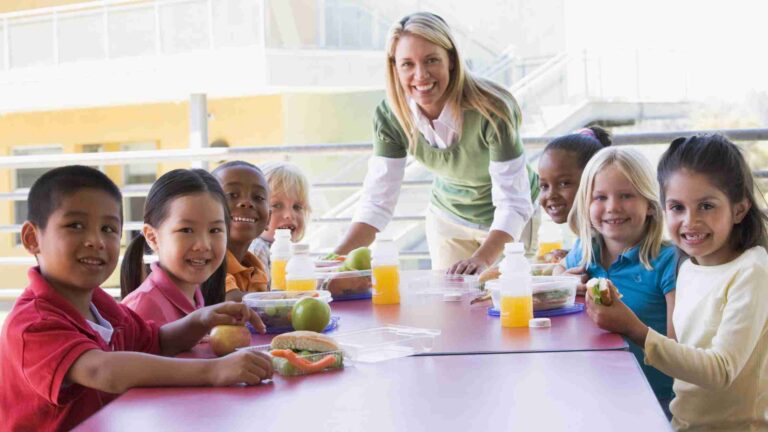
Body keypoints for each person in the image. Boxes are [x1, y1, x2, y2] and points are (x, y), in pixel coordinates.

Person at [0, 166, 271, 431]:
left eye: (108, 228)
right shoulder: (32, 322)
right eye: (76, 225)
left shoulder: (102, 306)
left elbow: (157, 342)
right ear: (32, 238)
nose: (96, 240)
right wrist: (213, 371)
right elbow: (101, 371)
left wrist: (200, 319)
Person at [332, 12, 538, 274]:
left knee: (506, 302)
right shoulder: (392, 115)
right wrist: (334, 259)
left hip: (509, 221)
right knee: (452, 304)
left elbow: (514, 203)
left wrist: (482, 259)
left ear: (451, 60)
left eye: (431, 60)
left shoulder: (492, 109)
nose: (421, 75)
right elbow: (377, 203)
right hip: (448, 216)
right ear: (394, 67)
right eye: (407, 64)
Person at [587, 135, 768, 430]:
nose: (690, 221)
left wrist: (634, 328)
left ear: (739, 209)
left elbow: (720, 371)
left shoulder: (752, 270)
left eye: (706, 206)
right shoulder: (688, 265)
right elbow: (681, 355)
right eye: (677, 207)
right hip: (682, 424)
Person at [554, 147, 676, 410]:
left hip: (657, 399)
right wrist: (564, 280)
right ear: (586, 205)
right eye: (600, 197)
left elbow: (677, 348)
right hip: (595, 389)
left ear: (651, 205)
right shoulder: (585, 250)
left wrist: (629, 325)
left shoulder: (669, 261)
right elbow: (559, 271)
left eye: (626, 195)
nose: (613, 207)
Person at [121, 169, 229, 325]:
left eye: (215, 230)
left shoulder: (195, 297)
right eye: (186, 230)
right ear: (152, 237)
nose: (203, 245)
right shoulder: (142, 308)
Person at [537, 126, 611, 259]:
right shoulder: (587, 237)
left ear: (594, 179)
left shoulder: (612, 233)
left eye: (564, 183)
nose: (551, 195)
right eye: (544, 186)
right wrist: (571, 256)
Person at [212, 161, 270, 302]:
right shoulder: (209, 261)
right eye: (232, 195)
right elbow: (233, 302)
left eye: (258, 197)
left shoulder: (255, 268)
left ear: (269, 218)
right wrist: (286, 298)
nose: (247, 202)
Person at [249, 162, 311, 286]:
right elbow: (263, 298)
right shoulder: (258, 250)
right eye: (276, 205)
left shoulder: (294, 252)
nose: (289, 215)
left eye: (297, 207)